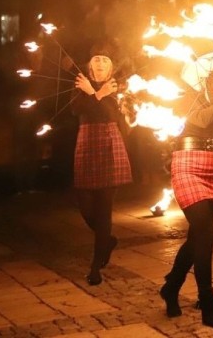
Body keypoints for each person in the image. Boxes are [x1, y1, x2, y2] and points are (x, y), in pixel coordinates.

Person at [159, 38, 213, 329]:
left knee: (199, 234)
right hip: (186, 163)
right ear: (191, 57)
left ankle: (171, 286)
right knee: (205, 233)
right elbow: (197, 119)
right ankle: (208, 305)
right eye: (208, 59)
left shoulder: (211, 86)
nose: (212, 65)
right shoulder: (171, 85)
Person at [72, 52, 132, 286]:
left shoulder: (118, 90)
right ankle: (106, 239)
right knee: (86, 207)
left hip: (108, 145)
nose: (100, 62)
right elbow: (77, 110)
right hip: (87, 144)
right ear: (89, 66)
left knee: (104, 209)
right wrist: (95, 93)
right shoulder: (80, 85)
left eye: (106, 60)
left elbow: (108, 114)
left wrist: (96, 94)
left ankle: (96, 266)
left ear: (111, 69)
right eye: (96, 59)